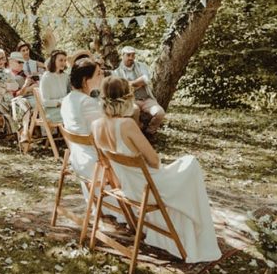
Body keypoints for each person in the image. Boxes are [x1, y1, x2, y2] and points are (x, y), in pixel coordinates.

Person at [91, 76, 221, 263]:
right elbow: (154, 161)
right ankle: (197, 233)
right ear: (126, 99)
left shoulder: (95, 126)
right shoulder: (126, 124)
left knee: (183, 170)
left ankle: (181, 231)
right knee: (190, 163)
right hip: (147, 190)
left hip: (128, 188)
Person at [60, 60, 104, 196]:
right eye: (98, 74)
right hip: (94, 164)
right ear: (86, 80)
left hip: (78, 159)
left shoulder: (67, 100)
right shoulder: (87, 102)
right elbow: (104, 135)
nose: (102, 76)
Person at [112, 46, 165, 139]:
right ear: (122, 56)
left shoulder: (141, 66)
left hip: (146, 99)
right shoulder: (117, 72)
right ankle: (137, 133)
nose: (131, 58)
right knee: (135, 110)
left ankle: (150, 132)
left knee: (160, 112)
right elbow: (123, 88)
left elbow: (145, 79)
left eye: (133, 55)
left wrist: (130, 84)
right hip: (131, 100)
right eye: (128, 55)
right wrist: (138, 84)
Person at [8, 52, 37, 142]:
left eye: (22, 62)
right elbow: (15, 95)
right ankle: (24, 132)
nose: (21, 64)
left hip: (31, 98)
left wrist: (33, 85)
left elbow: (34, 85)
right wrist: (27, 87)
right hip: (15, 101)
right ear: (11, 62)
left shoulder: (23, 74)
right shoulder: (8, 75)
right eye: (19, 62)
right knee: (19, 104)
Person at [39, 49, 70, 124]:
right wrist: (60, 102)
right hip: (51, 112)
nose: (63, 63)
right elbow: (44, 102)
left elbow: (69, 94)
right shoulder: (46, 77)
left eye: (65, 60)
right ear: (53, 60)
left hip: (65, 108)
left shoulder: (65, 76)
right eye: (61, 60)